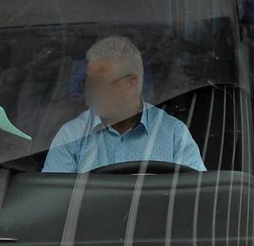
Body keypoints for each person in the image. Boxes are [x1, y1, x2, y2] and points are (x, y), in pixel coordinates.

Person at [43, 35, 205, 173]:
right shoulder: (71, 137)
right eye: (88, 83)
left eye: (99, 85)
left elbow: (195, 198)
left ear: (131, 85)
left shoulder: (174, 135)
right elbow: (52, 204)